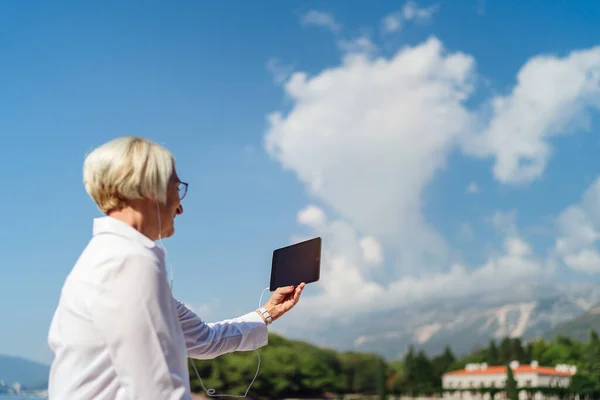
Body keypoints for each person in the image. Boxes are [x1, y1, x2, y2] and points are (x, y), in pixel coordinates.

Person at [47, 136, 305, 399]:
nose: (180, 207)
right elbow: (159, 389)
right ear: (149, 187)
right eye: (177, 187)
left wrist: (268, 312)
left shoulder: (113, 257)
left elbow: (204, 339)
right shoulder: (128, 261)